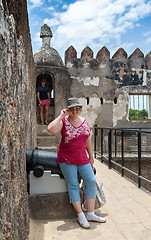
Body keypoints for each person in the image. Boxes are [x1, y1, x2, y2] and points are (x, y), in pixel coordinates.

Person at [48, 97, 106, 229]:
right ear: (68, 110)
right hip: (66, 158)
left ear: (80, 109)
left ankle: (90, 213)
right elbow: (51, 130)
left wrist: (91, 156)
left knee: (91, 181)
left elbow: (88, 141)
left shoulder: (85, 122)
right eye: (72, 109)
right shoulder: (64, 121)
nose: (75, 110)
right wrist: (61, 115)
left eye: (77, 108)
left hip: (82, 158)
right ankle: (80, 214)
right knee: (73, 185)